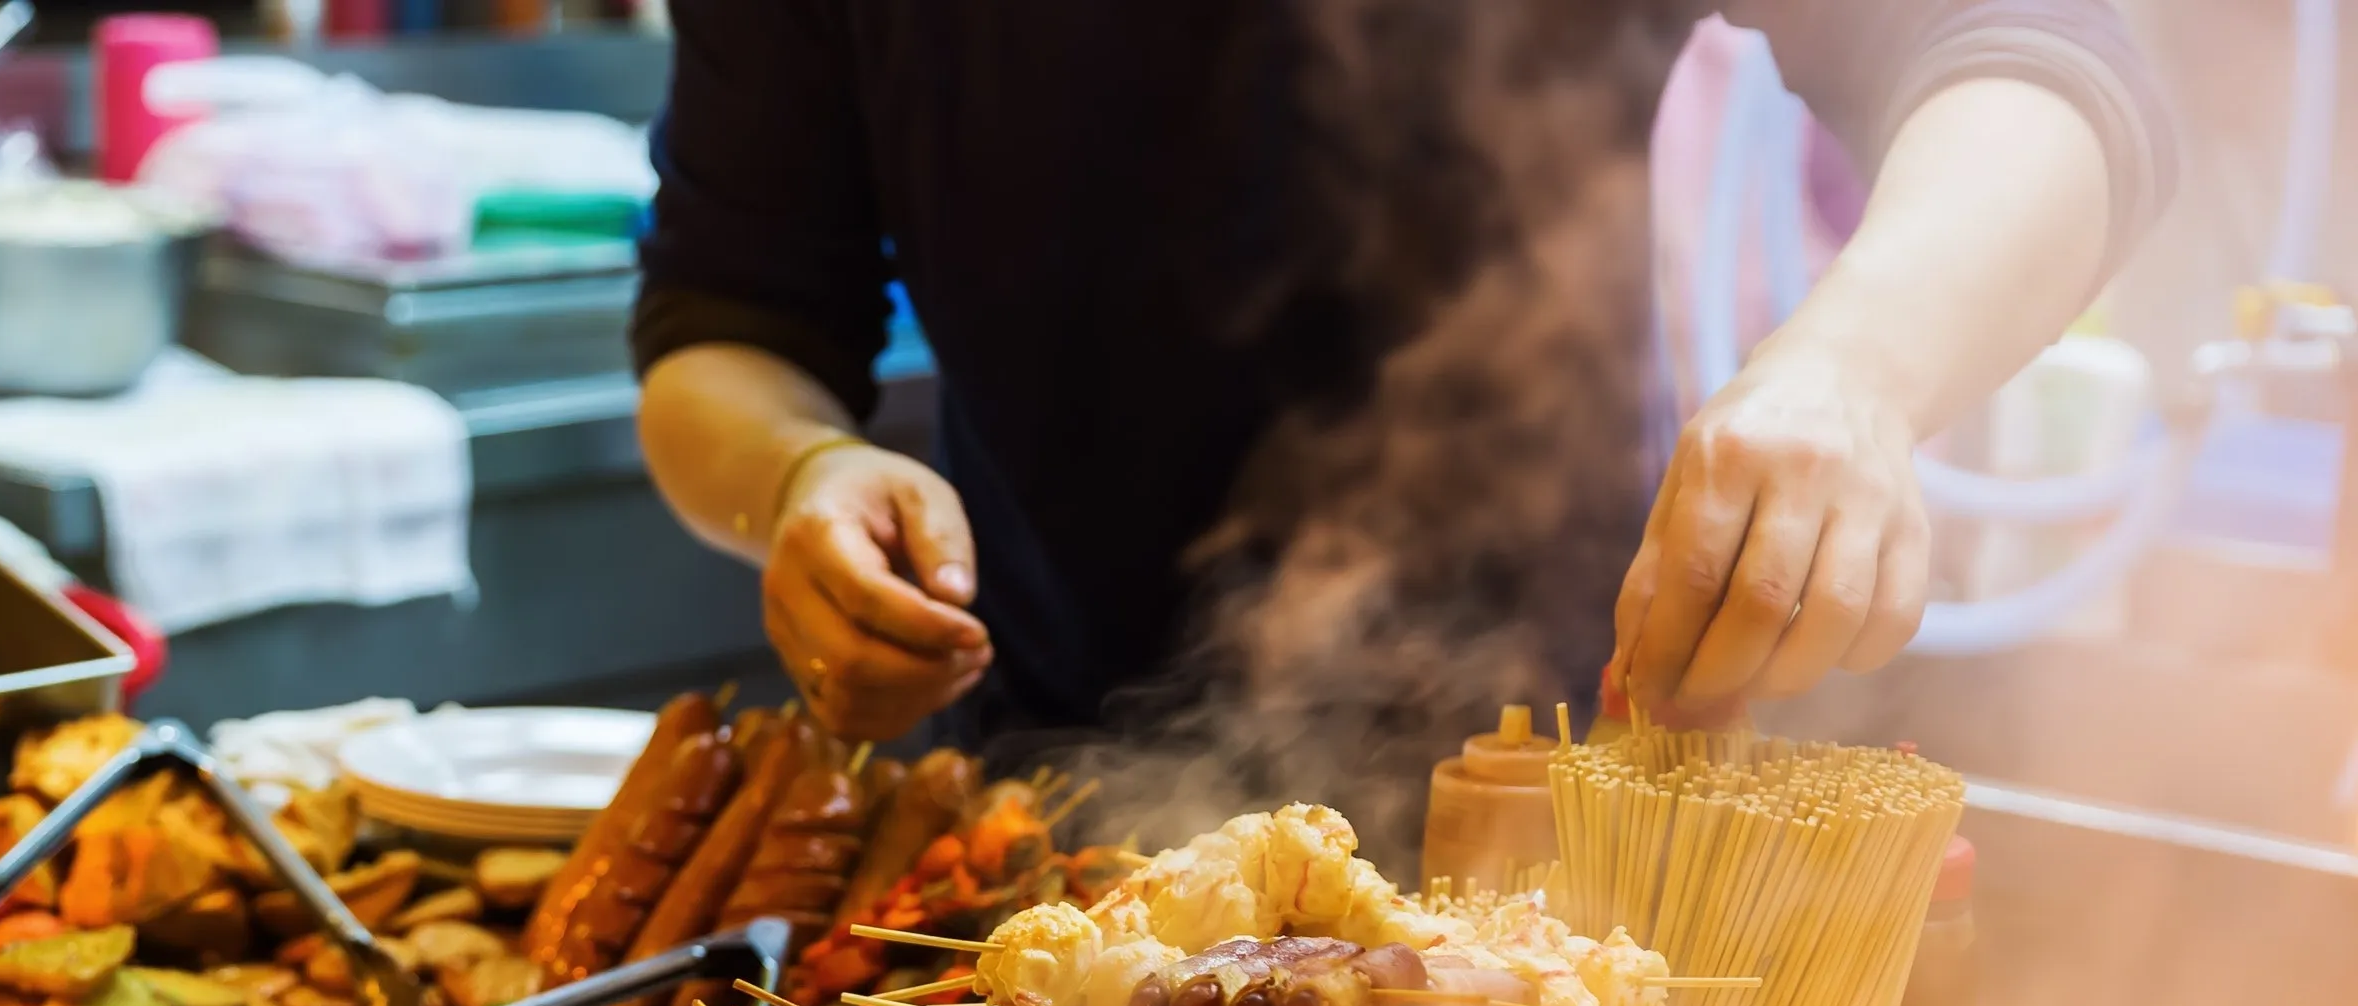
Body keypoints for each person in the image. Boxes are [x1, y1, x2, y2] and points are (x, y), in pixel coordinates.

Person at [634, 2, 2172, 757]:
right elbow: (729, 317)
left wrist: (1854, 372)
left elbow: (2044, 63)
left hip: (1531, 810)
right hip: (1040, 818)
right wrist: (796, 476)